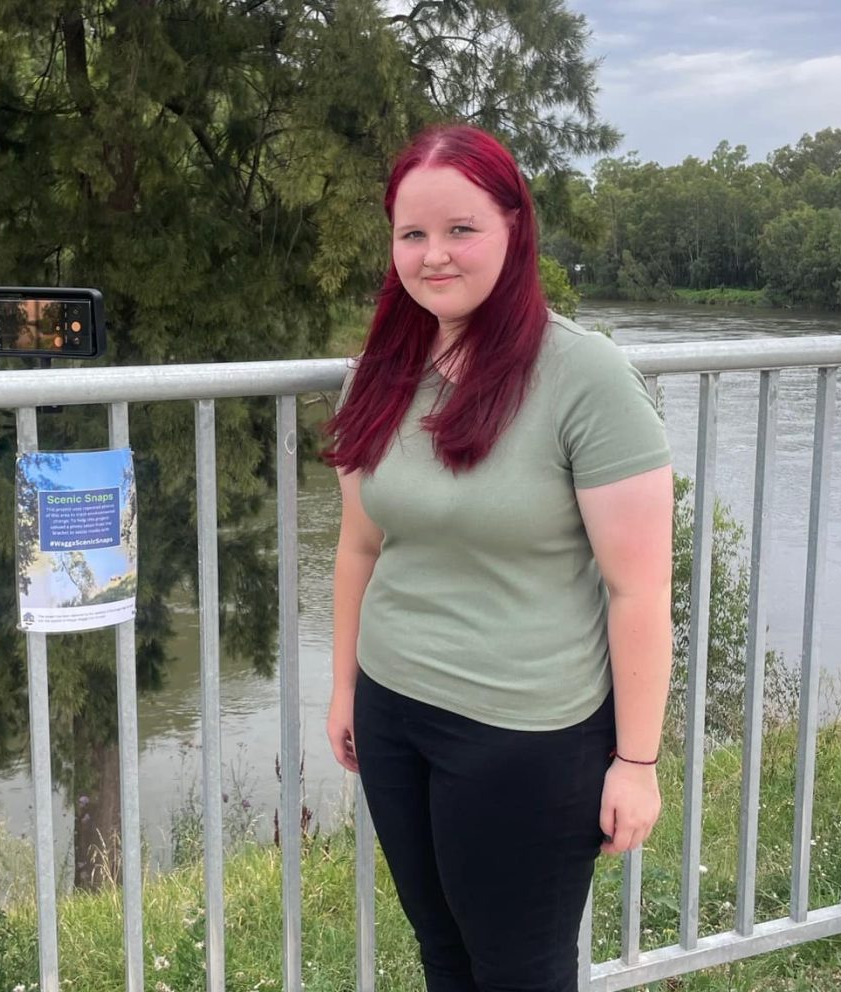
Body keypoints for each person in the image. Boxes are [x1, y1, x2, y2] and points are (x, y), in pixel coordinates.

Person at [323, 124, 673, 992]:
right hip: (395, 709)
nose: (433, 255)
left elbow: (639, 590)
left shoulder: (585, 378)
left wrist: (637, 763)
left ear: (515, 230)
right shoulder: (382, 370)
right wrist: (345, 689)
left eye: (461, 229)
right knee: (444, 956)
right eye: (412, 234)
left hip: (526, 734)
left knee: (519, 971)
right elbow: (360, 543)